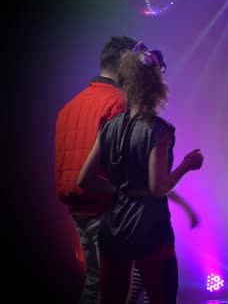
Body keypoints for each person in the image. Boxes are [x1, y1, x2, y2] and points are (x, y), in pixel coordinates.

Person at [77, 41, 204, 304]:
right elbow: (158, 187)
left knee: (111, 299)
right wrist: (186, 166)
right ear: (155, 85)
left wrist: (119, 189)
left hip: (113, 227)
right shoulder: (158, 130)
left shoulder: (108, 128)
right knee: (162, 297)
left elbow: (84, 180)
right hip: (151, 228)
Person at [55, 35, 138, 303]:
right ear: (125, 64)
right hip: (108, 211)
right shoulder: (119, 103)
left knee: (95, 285)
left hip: (79, 210)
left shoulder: (68, 108)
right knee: (115, 290)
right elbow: (124, 164)